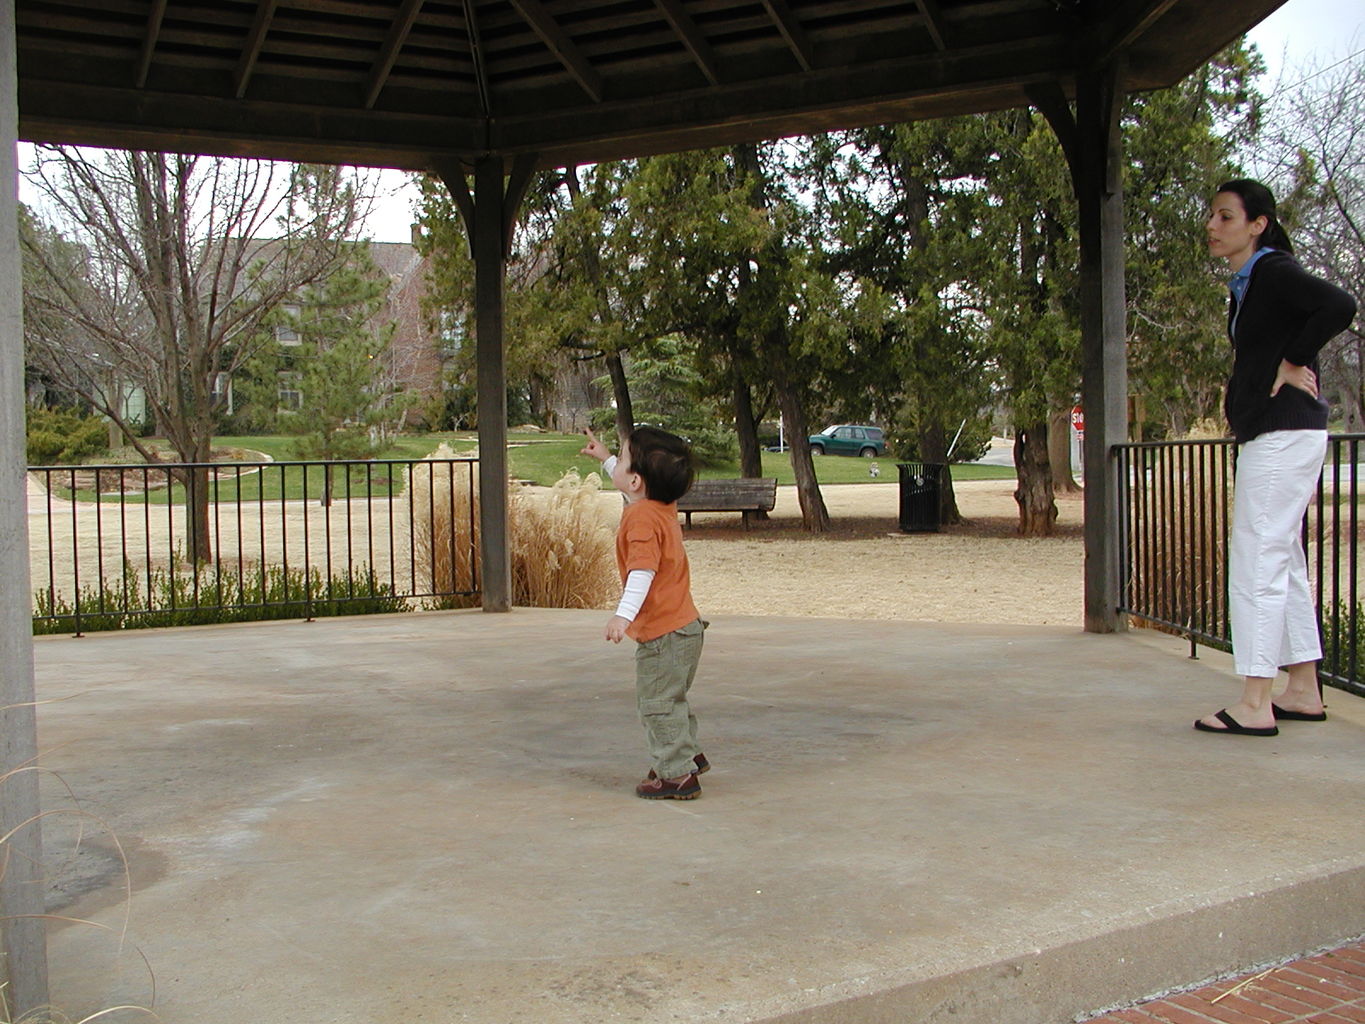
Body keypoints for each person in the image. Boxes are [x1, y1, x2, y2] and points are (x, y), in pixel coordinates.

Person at [1196, 178, 1357, 737]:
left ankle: (1256, 702)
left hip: (1283, 432)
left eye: (1225, 217)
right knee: (1283, 561)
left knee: (1257, 560)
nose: (1213, 227)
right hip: (1283, 433)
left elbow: (1340, 303)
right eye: (1212, 217)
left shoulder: (1273, 271)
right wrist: (1277, 363)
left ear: (1257, 224)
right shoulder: (1249, 282)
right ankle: (1304, 689)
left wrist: (1292, 359)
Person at [581, 426, 710, 797]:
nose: (617, 465)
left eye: (622, 459)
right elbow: (631, 483)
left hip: (662, 636)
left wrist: (623, 615)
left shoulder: (639, 519)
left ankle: (676, 774)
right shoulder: (661, 505)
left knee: (655, 704)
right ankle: (688, 754)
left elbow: (642, 571)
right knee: (672, 698)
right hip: (686, 629)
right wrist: (606, 457)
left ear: (637, 479)